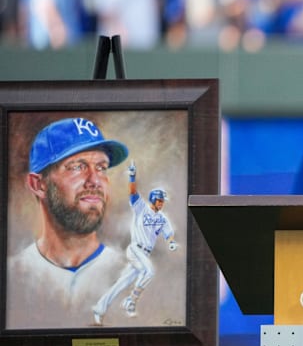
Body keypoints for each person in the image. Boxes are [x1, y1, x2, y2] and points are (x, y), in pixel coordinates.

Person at [6, 117, 129, 328]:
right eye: (77, 167)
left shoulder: (129, 274)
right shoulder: (11, 277)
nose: (94, 180)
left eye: (101, 167)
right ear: (38, 184)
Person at [92, 160, 178, 326]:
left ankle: (99, 309)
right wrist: (132, 177)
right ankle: (131, 301)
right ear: (154, 199)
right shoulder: (142, 208)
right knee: (150, 271)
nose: (162, 203)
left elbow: (168, 233)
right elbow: (133, 194)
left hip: (144, 254)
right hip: (135, 250)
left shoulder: (162, 218)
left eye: (163, 201)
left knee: (121, 283)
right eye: (160, 200)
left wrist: (171, 242)